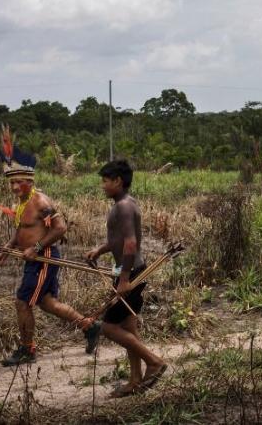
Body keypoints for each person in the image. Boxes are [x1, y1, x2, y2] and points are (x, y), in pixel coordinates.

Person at [0, 125, 101, 366]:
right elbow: (22, 229)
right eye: (11, 183)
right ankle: (89, 326)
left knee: (23, 302)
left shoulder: (40, 201)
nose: (14, 188)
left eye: (19, 183)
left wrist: (37, 248)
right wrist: (9, 246)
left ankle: (27, 349)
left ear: (29, 181)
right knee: (47, 302)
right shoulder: (22, 203)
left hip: (43, 259)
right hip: (35, 259)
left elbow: (60, 227)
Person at [84, 159, 167, 397]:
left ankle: (154, 362)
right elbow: (118, 240)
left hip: (130, 273)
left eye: (105, 181)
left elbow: (131, 244)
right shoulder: (122, 204)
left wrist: (124, 280)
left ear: (118, 181)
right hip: (125, 271)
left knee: (109, 328)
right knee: (128, 327)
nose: (102, 186)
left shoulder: (124, 206)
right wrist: (100, 250)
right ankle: (135, 379)